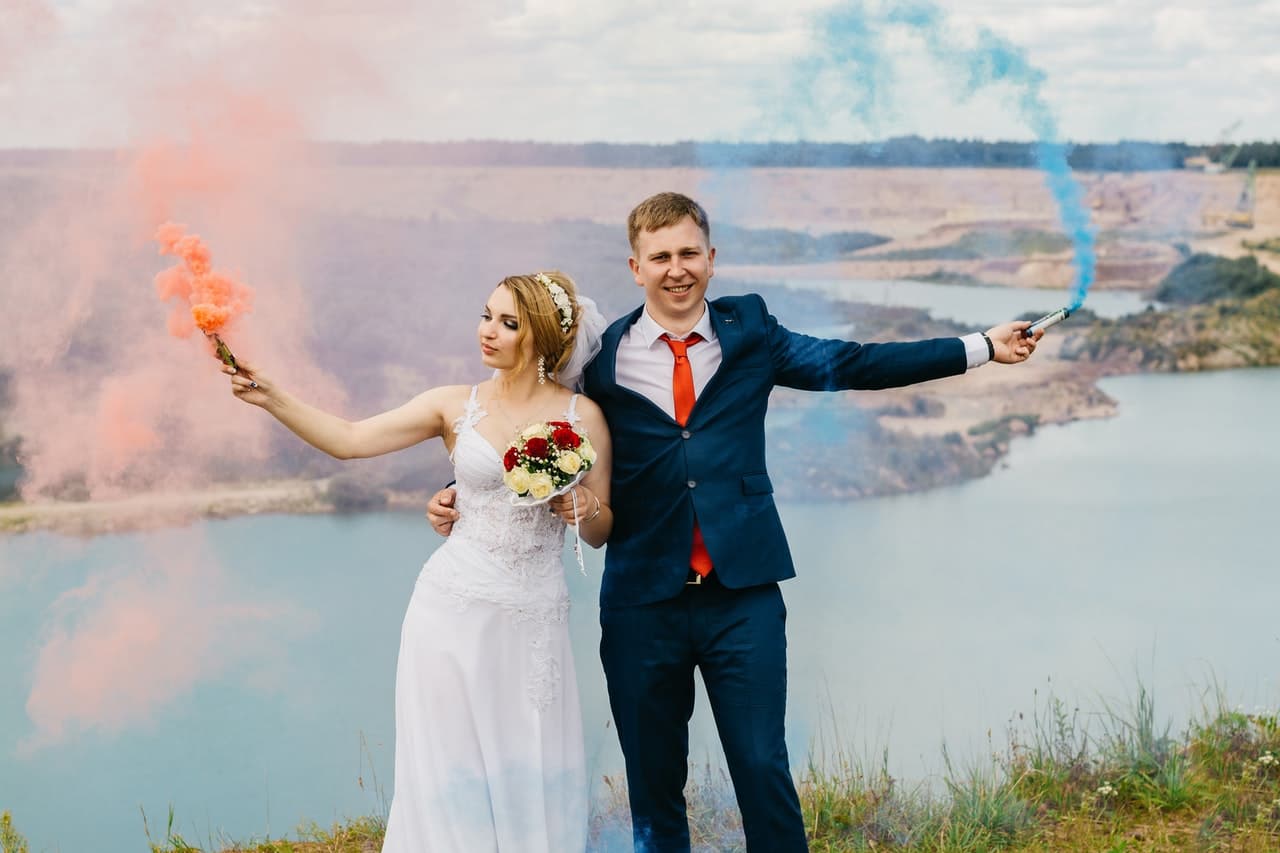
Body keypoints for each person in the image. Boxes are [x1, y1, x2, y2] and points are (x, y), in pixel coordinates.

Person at [428, 193, 1042, 852]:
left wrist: (981, 346)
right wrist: (467, 493)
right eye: (660, 257)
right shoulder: (600, 361)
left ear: (711, 258)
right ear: (635, 267)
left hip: (743, 596)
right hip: (641, 604)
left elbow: (855, 363)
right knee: (653, 785)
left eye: (688, 253)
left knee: (761, 769)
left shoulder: (752, 333)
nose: (676, 269)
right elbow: (541, 433)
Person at [225, 271, 612, 853]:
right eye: (486, 315)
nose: (487, 331)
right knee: (447, 763)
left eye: (508, 323)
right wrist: (271, 397)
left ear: (542, 338)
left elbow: (602, 532)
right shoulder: (453, 404)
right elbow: (350, 440)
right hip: (450, 609)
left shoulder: (585, 418)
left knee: (530, 754)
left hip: (534, 616)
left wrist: (582, 505)